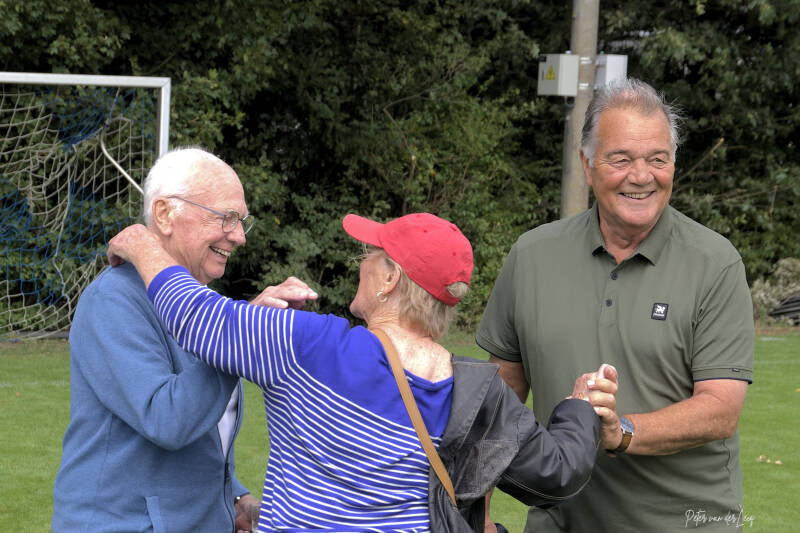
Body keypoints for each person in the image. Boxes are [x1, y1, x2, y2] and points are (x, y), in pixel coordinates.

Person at [105, 211, 621, 532]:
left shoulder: (306, 344)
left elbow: (195, 318)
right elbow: (557, 474)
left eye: (370, 254)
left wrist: (140, 242)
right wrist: (578, 405)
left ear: (390, 279)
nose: (360, 260)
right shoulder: (478, 390)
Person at [476, 78, 755, 532]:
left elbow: (720, 409)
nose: (641, 176)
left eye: (657, 160)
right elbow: (496, 401)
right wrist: (480, 514)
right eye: (621, 159)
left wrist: (620, 431)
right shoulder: (531, 257)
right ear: (587, 165)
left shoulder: (715, 263)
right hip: (558, 521)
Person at [52, 147, 312, 532]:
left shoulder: (201, 301)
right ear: (164, 214)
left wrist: (234, 495)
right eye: (226, 218)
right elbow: (167, 418)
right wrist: (239, 337)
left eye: (241, 221)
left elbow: (209, 427)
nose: (239, 236)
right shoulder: (113, 300)